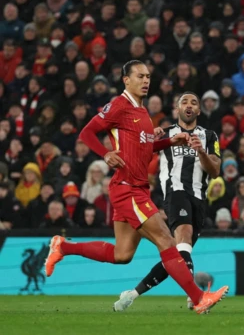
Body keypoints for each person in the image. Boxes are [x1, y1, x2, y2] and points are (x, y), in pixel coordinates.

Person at [44, 60, 227, 314]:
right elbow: (86, 133)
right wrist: (105, 154)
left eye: (148, 76)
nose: (145, 80)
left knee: (122, 254)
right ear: (126, 80)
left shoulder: (142, 112)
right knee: (166, 238)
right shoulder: (119, 105)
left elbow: (145, 148)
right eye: (140, 76)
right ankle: (198, 298)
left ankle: (63, 246)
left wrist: (169, 141)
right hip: (127, 187)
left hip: (137, 188)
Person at [114, 91, 221, 311]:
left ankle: (131, 294)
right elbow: (137, 152)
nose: (189, 105)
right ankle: (196, 298)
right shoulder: (166, 134)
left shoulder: (209, 136)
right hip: (175, 193)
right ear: (178, 108)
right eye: (184, 101)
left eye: (194, 102)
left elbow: (216, 170)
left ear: (199, 110)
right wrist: (148, 139)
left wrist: (200, 152)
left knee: (178, 253)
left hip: (199, 198)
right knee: (183, 237)